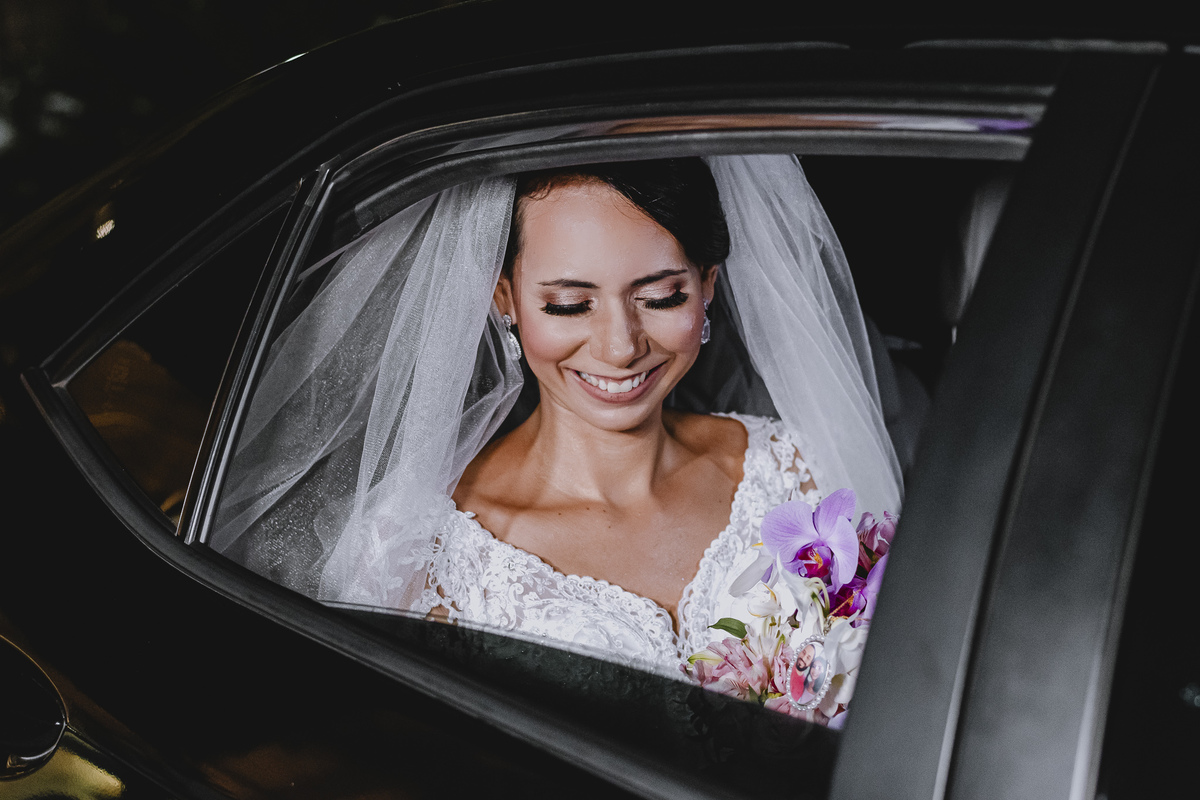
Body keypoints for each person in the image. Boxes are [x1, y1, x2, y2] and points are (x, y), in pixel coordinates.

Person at [211, 154, 903, 678]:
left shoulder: (804, 471)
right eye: (570, 305)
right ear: (505, 300)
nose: (620, 346)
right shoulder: (417, 558)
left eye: (661, 296)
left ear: (708, 286)